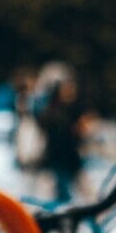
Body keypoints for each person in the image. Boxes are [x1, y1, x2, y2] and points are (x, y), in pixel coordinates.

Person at [35, 65, 85, 201]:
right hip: (60, 160)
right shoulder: (53, 113)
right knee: (63, 195)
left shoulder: (70, 110)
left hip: (68, 160)